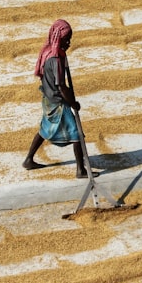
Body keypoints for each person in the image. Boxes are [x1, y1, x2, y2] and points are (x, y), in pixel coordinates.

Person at [23, 19, 93, 177]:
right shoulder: (56, 60)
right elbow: (61, 86)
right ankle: (81, 170)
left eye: (70, 39)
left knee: (44, 129)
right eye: (66, 39)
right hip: (58, 102)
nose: (68, 43)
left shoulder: (46, 51)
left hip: (48, 99)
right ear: (58, 38)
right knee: (77, 135)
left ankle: (28, 160)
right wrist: (73, 103)